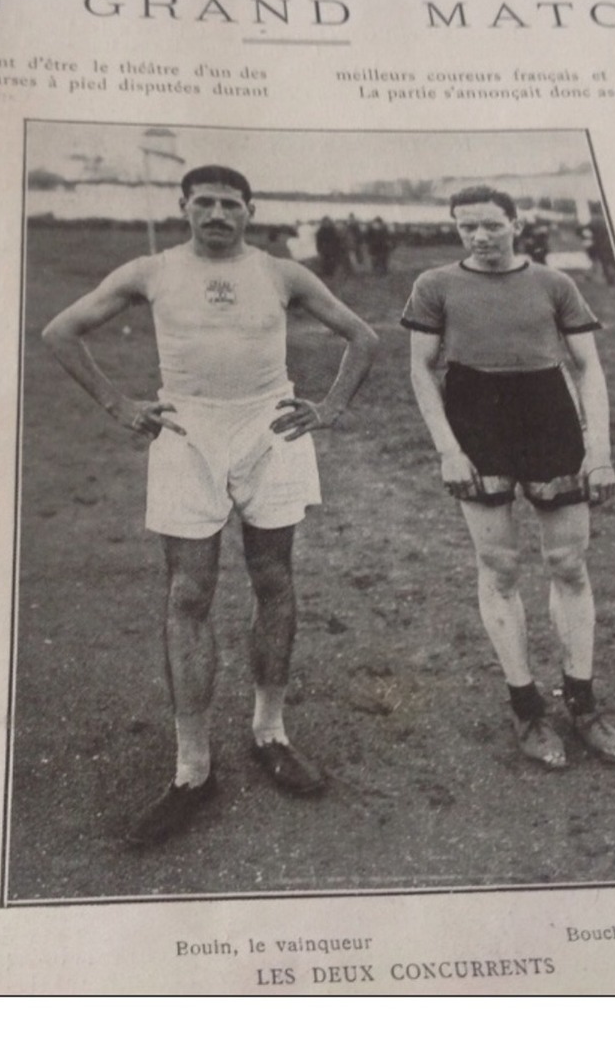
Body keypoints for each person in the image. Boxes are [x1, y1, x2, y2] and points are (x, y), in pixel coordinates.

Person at [42, 165, 379, 846]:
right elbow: (61, 331)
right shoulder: (151, 270)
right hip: (188, 430)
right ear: (185, 208)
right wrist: (118, 403)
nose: (218, 213)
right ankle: (191, 768)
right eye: (205, 203)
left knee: (273, 579)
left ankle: (270, 732)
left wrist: (332, 407)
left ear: (250, 210)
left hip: (270, 428)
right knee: (188, 593)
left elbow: (363, 336)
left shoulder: (282, 273)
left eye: (231, 203)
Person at [402, 185, 615, 770]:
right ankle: (526, 706)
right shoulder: (435, 285)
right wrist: (448, 449)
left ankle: (581, 702)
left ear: (515, 224)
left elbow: (588, 368)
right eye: (467, 227)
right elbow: (422, 371)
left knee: (568, 563)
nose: (480, 236)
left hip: (547, 413)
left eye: (491, 225)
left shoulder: (555, 284)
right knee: (499, 565)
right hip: (476, 415)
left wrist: (597, 449)